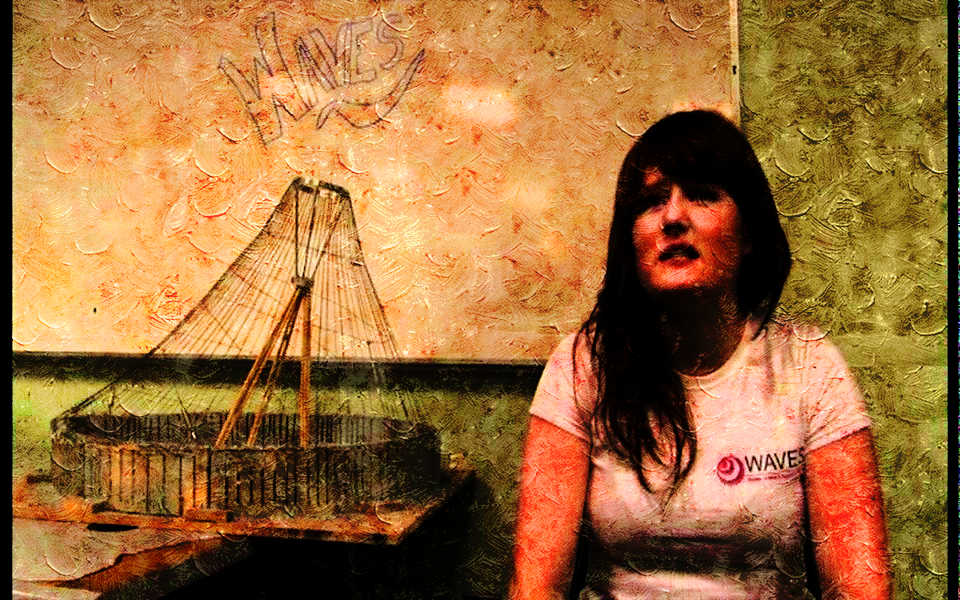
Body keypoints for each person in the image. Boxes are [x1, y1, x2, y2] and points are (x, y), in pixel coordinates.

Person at [509, 110, 891, 599]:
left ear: (748, 233)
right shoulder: (583, 365)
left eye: (702, 195)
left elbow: (861, 589)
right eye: (652, 201)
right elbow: (536, 586)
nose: (673, 217)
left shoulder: (810, 367)